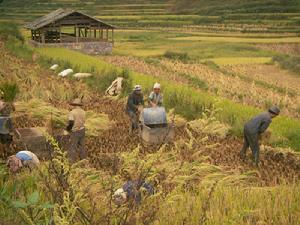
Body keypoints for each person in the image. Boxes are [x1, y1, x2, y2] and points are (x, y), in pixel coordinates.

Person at [66, 98, 86, 162]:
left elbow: (71, 122)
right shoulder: (83, 112)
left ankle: (71, 161)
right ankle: (83, 160)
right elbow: (84, 121)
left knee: (72, 147)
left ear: (75, 105)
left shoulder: (72, 112)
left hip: (75, 131)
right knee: (82, 146)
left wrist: (67, 129)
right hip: (82, 130)